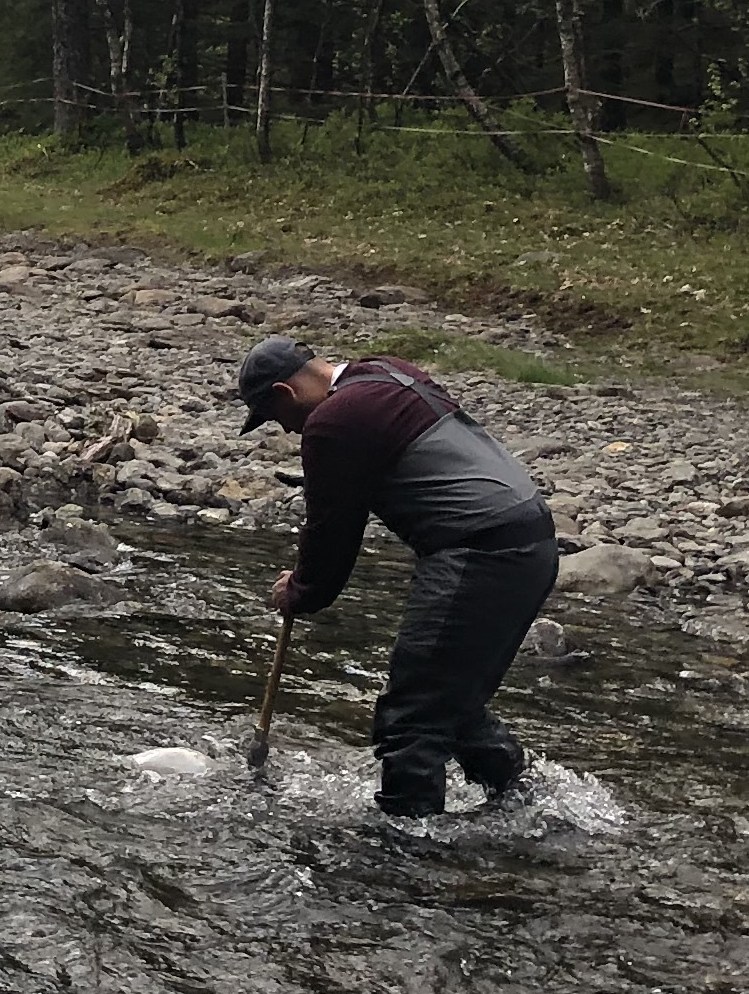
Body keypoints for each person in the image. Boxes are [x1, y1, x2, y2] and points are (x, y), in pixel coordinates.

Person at [232, 333, 559, 818]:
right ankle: (524, 804)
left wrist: (299, 591)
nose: (288, 432)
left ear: (285, 393)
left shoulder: (331, 422)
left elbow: (333, 537)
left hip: (479, 553)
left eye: (277, 419)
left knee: (409, 720)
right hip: (532, 540)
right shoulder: (387, 371)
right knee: (448, 699)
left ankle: (404, 853)